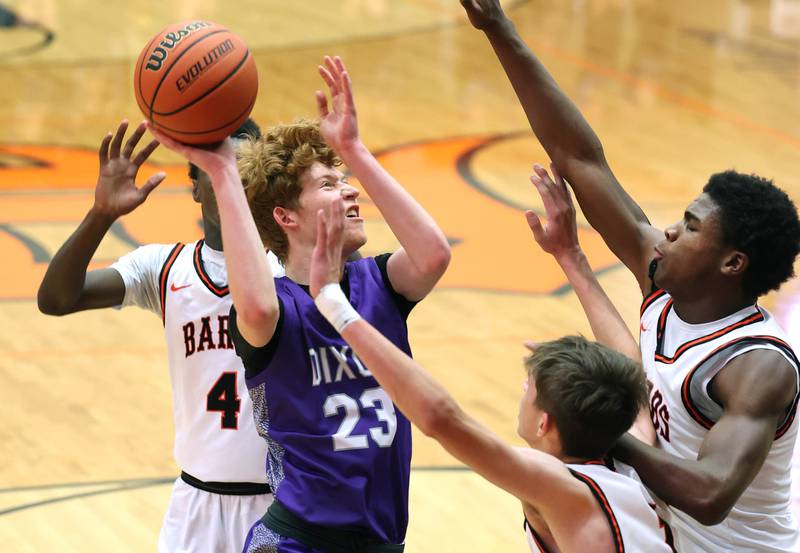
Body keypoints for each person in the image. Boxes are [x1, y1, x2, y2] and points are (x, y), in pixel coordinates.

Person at [460, 1, 800, 550]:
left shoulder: (758, 365)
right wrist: (499, 29)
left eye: (690, 227)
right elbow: (580, 159)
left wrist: (601, 427)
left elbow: (712, 495)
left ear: (731, 263)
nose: (665, 232)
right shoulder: (666, 288)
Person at [147, 55, 451, 553]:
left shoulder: (379, 283)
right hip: (300, 541)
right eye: (329, 185)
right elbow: (260, 310)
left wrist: (352, 150)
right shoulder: (276, 309)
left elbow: (434, 254)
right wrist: (224, 172)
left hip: (382, 540)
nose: (350, 190)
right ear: (286, 218)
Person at [301, 165, 675, 553]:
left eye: (530, 389)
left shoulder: (558, 483)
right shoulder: (630, 455)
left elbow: (442, 420)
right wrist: (570, 255)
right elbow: (629, 370)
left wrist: (336, 306)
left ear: (545, 423)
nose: (522, 388)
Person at [37, 119, 281, 553]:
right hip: (196, 504)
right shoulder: (164, 268)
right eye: (219, 170)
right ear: (195, 186)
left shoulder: (292, 268)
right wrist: (101, 214)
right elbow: (56, 298)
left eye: (245, 172)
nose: (232, 183)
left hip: (280, 503)